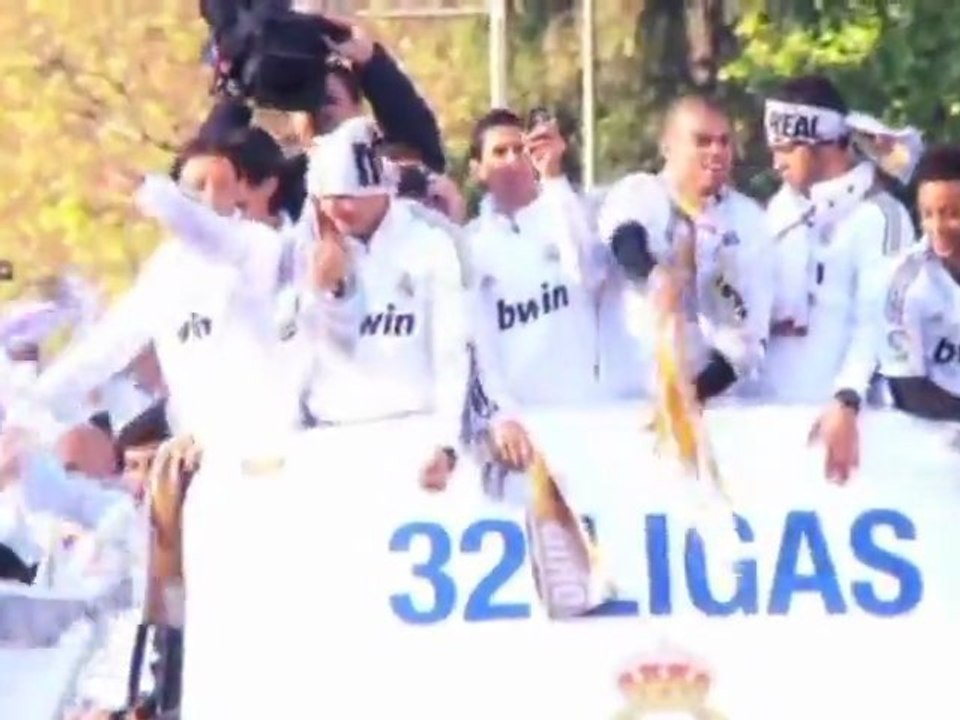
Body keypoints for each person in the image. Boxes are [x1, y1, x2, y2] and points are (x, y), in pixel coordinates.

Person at [761, 74, 920, 481]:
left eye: (784, 149)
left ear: (819, 142)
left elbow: (882, 320)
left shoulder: (881, 215)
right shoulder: (779, 211)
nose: (774, 162)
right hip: (767, 428)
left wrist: (847, 399)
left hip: (853, 432)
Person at [301, 115, 470, 489]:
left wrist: (446, 440)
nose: (339, 209)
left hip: (412, 434)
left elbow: (452, 350)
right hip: (330, 438)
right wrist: (321, 292)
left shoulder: (430, 245)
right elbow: (287, 354)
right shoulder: (303, 248)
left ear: (382, 190)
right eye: (329, 200)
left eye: (349, 197)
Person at [596, 94, 774, 404]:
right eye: (702, 141)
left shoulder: (749, 220)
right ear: (668, 146)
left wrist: (691, 396)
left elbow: (747, 334)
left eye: (724, 142)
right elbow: (624, 237)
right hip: (630, 400)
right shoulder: (640, 192)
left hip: (709, 403)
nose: (716, 151)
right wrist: (656, 278)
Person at [463, 108, 604, 470]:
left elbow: (590, 273)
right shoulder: (468, 246)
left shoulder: (569, 210)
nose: (512, 160)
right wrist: (501, 414)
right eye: (499, 152)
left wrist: (555, 177)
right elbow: (477, 345)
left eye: (520, 149)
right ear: (477, 168)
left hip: (591, 419)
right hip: (520, 435)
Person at [878, 145, 960, 420]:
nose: (938, 227)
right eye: (928, 214)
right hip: (932, 435)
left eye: (952, 214)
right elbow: (907, 388)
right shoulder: (904, 279)